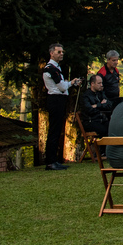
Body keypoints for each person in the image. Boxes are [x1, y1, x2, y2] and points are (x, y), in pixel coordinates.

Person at [42, 43, 82, 171]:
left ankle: (54, 160)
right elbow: (62, 87)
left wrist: (71, 83)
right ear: (51, 53)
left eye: (62, 52)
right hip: (55, 100)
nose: (61, 54)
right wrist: (71, 82)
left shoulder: (56, 68)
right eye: (58, 52)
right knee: (54, 130)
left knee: (57, 130)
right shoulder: (51, 69)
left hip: (59, 99)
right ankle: (50, 161)